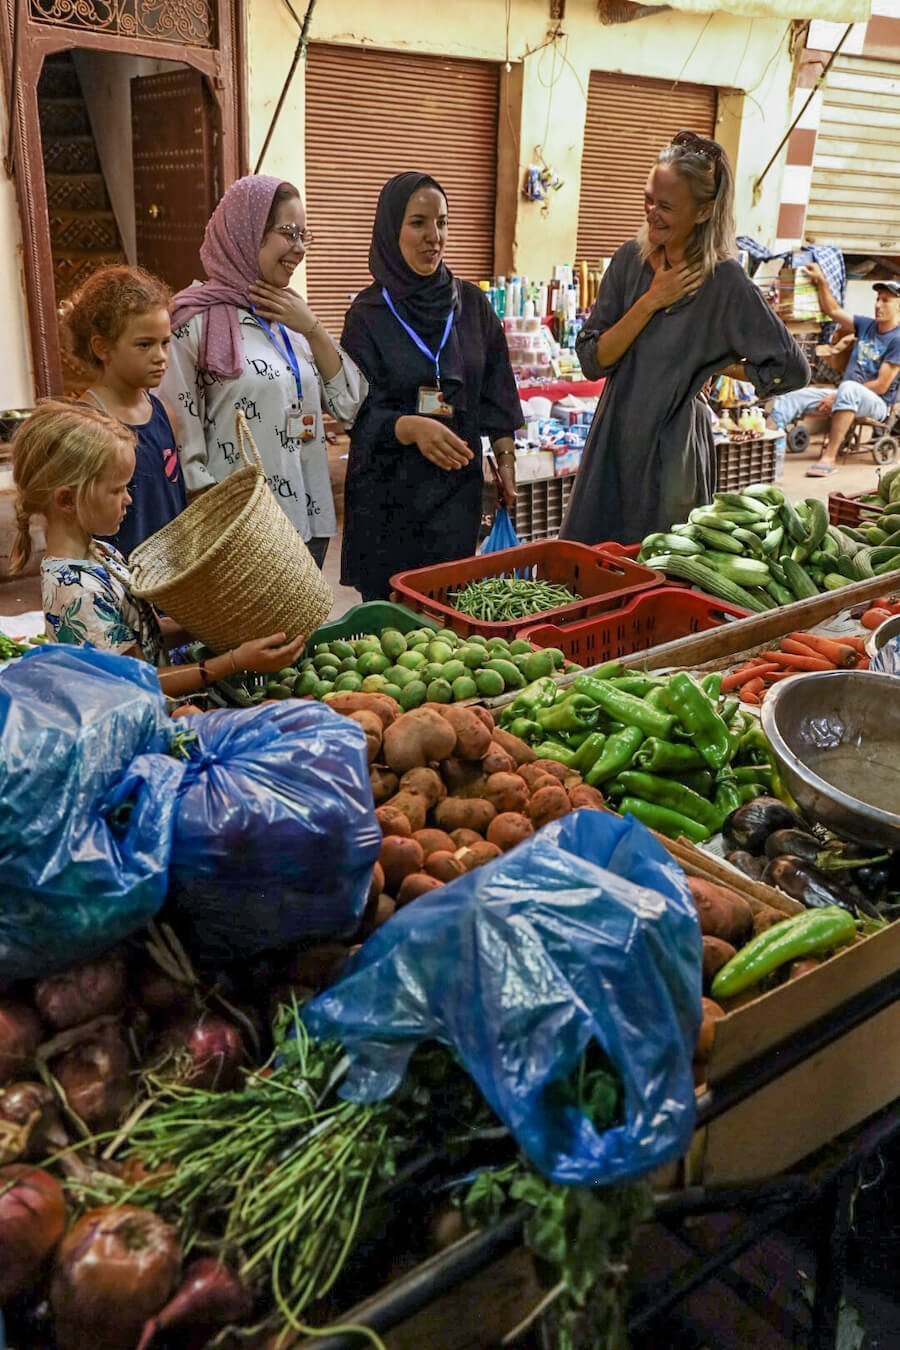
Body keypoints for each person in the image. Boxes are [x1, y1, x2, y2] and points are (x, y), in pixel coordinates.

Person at [561, 130, 809, 546]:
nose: (651, 213)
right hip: (614, 437)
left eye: (666, 206)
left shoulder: (724, 282)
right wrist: (651, 301)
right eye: (648, 200)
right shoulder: (629, 262)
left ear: (702, 212)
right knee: (595, 560)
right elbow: (593, 359)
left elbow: (792, 370)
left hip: (673, 453)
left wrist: (717, 362)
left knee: (662, 562)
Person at [10, 402, 304, 698]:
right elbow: (137, 682)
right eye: (117, 490)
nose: (128, 500)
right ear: (65, 501)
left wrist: (216, 624)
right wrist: (231, 662)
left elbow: (143, 636)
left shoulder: (98, 551)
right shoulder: (78, 592)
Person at [162, 174, 366, 568]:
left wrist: (313, 327)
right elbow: (185, 446)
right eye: (289, 233)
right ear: (247, 231)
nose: (300, 248)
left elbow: (350, 404)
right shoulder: (192, 323)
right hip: (241, 532)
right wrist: (217, 529)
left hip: (311, 522)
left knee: (299, 631)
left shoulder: (291, 316)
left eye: (306, 235)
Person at [340, 171, 522, 601]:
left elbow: (497, 390)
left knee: (450, 622)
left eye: (441, 222)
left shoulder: (472, 305)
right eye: (418, 222)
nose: (433, 236)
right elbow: (352, 410)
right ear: (391, 229)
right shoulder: (367, 316)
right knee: (392, 638)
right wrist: (409, 427)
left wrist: (506, 459)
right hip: (387, 502)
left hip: (454, 497)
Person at [61, 264, 186, 558]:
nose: (160, 357)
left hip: (170, 585)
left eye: (165, 343)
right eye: (144, 345)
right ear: (102, 347)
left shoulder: (163, 414)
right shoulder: (86, 424)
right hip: (118, 586)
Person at [770, 273, 900, 478]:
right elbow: (833, 311)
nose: (878, 305)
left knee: (848, 388)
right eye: (877, 299)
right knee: (790, 395)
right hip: (846, 395)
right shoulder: (867, 326)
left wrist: (838, 395)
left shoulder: (897, 339)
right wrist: (821, 281)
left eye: (885, 300)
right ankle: (772, 454)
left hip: (877, 404)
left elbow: (882, 385)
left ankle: (829, 457)